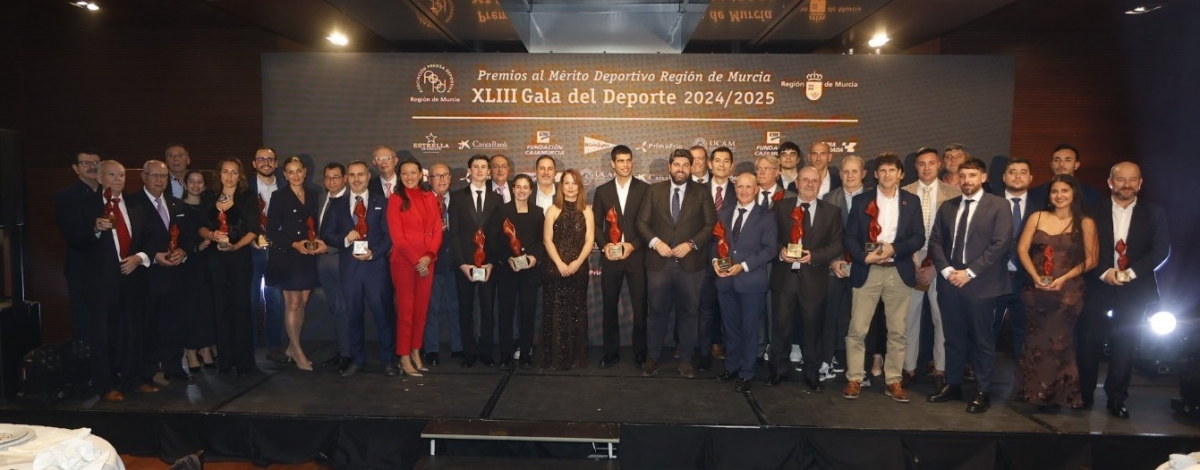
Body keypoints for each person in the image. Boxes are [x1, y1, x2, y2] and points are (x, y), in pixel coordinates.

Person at [1079, 162, 1170, 418]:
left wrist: (1130, 273)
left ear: (1140, 183)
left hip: (1135, 288)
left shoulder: (1155, 212)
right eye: (1121, 179)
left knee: (1125, 346)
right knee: (1087, 343)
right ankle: (1084, 395)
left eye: (1132, 180)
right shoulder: (1091, 210)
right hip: (1097, 284)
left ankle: (1116, 399)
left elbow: (1161, 250)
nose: (1126, 184)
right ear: (1110, 182)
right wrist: (1103, 271)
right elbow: (1082, 245)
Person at [927, 157, 1013, 413]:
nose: (967, 181)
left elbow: (1000, 245)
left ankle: (982, 390)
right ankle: (952, 385)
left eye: (972, 176)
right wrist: (947, 271)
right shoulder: (948, 206)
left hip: (982, 285)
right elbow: (935, 241)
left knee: (982, 340)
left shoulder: (999, 206)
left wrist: (970, 273)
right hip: (950, 282)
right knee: (952, 338)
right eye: (963, 176)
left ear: (983, 177)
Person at [71, 160, 160, 401]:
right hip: (101, 283)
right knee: (104, 335)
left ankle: (134, 380)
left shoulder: (135, 203)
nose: (118, 179)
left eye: (121, 174)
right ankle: (106, 385)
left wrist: (139, 258)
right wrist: (95, 229)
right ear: (100, 178)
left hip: (133, 278)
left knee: (134, 333)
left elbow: (152, 238)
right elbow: (75, 239)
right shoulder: (87, 206)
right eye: (112, 174)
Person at [842, 153, 924, 402]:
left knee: (898, 331)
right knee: (857, 329)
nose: (887, 175)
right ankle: (855, 378)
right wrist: (863, 257)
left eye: (892, 170)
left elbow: (918, 237)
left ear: (901, 174)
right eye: (883, 170)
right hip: (867, 271)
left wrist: (894, 249)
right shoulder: (861, 201)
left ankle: (893, 381)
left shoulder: (912, 201)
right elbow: (850, 237)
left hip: (897, 271)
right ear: (875, 174)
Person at [1012, 174, 1098, 411]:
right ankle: (1032, 392)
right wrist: (1035, 276)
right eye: (1055, 191)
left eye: (1064, 191)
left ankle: (1055, 395)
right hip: (1036, 290)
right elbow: (1021, 249)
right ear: (1049, 195)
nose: (1059, 196)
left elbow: (1091, 260)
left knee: (1059, 343)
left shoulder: (1086, 222)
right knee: (1035, 342)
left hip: (1067, 293)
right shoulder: (1037, 216)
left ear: (1073, 194)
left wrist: (1063, 279)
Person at [636, 149, 717, 378]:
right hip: (658, 262)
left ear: (691, 168)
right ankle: (653, 358)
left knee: (689, 313)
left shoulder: (702, 193)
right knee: (656, 313)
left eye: (685, 165)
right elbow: (641, 223)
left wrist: (691, 244)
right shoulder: (654, 191)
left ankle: (687, 361)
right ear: (669, 167)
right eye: (676, 164)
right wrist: (655, 242)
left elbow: (710, 225)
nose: (680, 169)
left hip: (691, 264)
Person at [767, 166, 844, 391]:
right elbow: (769, 236)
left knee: (813, 329)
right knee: (780, 327)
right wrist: (781, 251)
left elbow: (838, 243)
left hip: (814, 279)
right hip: (784, 278)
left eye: (814, 181)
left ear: (820, 184)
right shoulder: (780, 207)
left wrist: (814, 256)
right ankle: (778, 370)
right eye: (805, 180)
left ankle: (812, 374)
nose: (809, 184)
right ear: (797, 183)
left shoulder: (831, 211)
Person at [321, 160, 397, 378]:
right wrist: (345, 239)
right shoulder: (336, 204)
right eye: (352, 175)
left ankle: (388, 361)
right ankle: (357, 360)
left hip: (375, 269)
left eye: (361, 175)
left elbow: (388, 237)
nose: (356, 179)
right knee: (353, 316)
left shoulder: (382, 202)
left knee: (383, 316)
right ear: (346, 178)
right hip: (350, 269)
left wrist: (374, 253)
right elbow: (326, 233)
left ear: (368, 177)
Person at [899, 148, 961, 388]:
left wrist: (935, 266)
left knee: (941, 317)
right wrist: (913, 260)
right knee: (908, 318)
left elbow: (956, 234)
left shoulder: (954, 194)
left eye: (931, 163)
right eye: (921, 164)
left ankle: (941, 369)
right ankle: (908, 367)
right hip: (910, 260)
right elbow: (898, 231)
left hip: (942, 262)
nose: (926, 168)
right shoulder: (904, 192)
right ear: (915, 167)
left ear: (939, 166)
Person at [712, 172, 778, 392]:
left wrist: (744, 266)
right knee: (729, 328)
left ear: (756, 188)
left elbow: (770, 249)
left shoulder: (766, 216)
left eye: (748, 187)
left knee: (750, 329)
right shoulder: (724, 213)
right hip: (725, 282)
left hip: (751, 281)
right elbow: (716, 243)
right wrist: (714, 260)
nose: (743, 190)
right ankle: (731, 366)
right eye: (740, 186)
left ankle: (747, 372)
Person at [199, 158, 260, 376]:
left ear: (240, 175)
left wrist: (235, 247)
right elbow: (201, 227)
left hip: (240, 258)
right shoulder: (209, 197)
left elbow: (254, 229)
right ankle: (225, 360)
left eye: (234, 172)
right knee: (220, 308)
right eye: (225, 171)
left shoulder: (248, 197)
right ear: (219, 174)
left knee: (241, 308)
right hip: (215, 259)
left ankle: (244, 361)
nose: (229, 176)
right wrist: (211, 234)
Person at [132, 160, 190, 384]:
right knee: (148, 326)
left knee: (173, 324)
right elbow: (130, 240)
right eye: (154, 176)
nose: (159, 180)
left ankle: (173, 368)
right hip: (147, 276)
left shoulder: (177, 205)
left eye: (163, 176)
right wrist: (154, 256)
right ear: (144, 177)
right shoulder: (132, 204)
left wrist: (183, 251)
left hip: (175, 275)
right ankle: (146, 372)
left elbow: (187, 236)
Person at [592, 145, 650, 369]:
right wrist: (605, 245)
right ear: (612, 164)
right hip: (611, 257)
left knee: (640, 307)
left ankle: (640, 352)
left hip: (636, 257)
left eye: (628, 160)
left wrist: (633, 245)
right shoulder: (602, 191)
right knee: (609, 305)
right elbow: (597, 225)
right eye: (621, 161)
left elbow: (648, 225)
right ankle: (610, 352)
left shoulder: (645, 189)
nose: (625, 165)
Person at [265, 157, 326, 371]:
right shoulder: (279, 197)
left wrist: (316, 242)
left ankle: (292, 346)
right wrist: (294, 244)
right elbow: (271, 231)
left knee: (303, 302)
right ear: (285, 175)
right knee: (292, 303)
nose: (295, 175)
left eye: (298, 171)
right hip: (288, 255)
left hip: (307, 255)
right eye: (290, 172)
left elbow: (318, 224)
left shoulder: (314, 194)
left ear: (305, 171)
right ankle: (298, 352)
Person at [388, 157, 442, 377]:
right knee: (406, 312)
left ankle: (416, 351)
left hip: (427, 263)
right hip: (404, 263)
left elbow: (437, 230)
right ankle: (403, 356)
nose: (409, 177)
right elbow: (398, 238)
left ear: (421, 174)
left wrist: (429, 256)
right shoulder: (395, 199)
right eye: (404, 173)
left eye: (413, 173)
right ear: (400, 177)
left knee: (421, 311)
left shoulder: (430, 197)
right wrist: (417, 261)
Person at [449, 154, 502, 368]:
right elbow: (454, 234)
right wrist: (462, 264)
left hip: (488, 266)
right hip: (465, 266)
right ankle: (469, 352)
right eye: (476, 166)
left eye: (484, 167)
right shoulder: (457, 197)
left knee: (488, 310)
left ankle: (486, 352)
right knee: (466, 309)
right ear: (469, 170)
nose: (480, 170)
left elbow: (498, 235)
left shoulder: (496, 199)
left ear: (489, 171)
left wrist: (490, 263)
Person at [541, 169, 595, 370]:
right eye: (566, 183)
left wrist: (577, 262)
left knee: (576, 311)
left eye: (574, 183)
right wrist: (560, 264)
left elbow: (590, 240)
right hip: (555, 269)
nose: (570, 187)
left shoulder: (587, 211)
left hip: (578, 269)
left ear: (579, 186)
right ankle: (555, 358)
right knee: (555, 310)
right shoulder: (553, 210)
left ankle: (575, 357)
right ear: (561, 186)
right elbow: (547, 240)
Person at [489, 174, 545, 370]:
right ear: (512, 189)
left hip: (529, 271)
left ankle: (525, 352)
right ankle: (505, 354)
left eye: (525, 187)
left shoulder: (538, 213)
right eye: (518, 187)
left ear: (531, 190)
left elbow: (541, 241)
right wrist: (508, 258)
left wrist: (532, 258)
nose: (521, 191)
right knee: (505, 312)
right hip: (507, 270)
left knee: (527, 313)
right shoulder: (502, 210)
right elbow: (493, 240)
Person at [822, 155, 868, 379]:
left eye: (854, 171)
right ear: (839, 174)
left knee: (860, 321)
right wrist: (833, 260)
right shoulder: (829, 199)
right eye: (846, 172)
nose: (850, 176)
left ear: (864, 174)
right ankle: (826, 360)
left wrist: (861, 260)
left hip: (864, 268)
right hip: (834, 268)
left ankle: (858, 368)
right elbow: (823, 236)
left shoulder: (873, 199)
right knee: (829, 317)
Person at [55, 149, 101, 341]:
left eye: (95, 162)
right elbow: (73, 235)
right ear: (76, 168)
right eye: (86, 163)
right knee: (86, 322)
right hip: (82, 269)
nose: (92, 167)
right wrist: (95, 229)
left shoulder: (110, 193)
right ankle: (88, 369)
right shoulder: (66, 196)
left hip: (110, 270)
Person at [696, 147, 736, 370]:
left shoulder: (740, 190)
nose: (721, 165)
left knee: (727, 307)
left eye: (726, 161)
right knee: (705, 308)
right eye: (717, 161)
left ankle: (722, 346)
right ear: (709, 164)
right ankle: (703, 353)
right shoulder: (697, 190)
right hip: (701, 258)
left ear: (732, 165)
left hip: (728, 258)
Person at [993, 158, 1035, 359]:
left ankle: (1024, 384)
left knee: (1024, 333)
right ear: (1004, 177)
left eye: (1023, 172)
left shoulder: (1042, 206)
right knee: (987, 332)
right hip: (994, 278)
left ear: (1030, 177)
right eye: (1012, 172)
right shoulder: (989, 202)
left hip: (1027, 280)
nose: (1017, 176)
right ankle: (981, 384)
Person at [424, 163, 462, 366]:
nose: (441, 180)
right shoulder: (422, 201)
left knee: (456, 307)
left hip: (454, 262)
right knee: (432, 308)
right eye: (436, 176)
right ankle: (431, 349)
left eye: (445, 175)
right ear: (429, 179)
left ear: (450, 178)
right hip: (431, 262)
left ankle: (458, 347)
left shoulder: (458, 200)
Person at [249, 148, 285, 362]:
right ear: (254, 163)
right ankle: (250, 347)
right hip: (252, 251)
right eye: (261, 159)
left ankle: (274, 346)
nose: (265, 162)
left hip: (276, 252)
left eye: (269, 159)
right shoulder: (246, 188)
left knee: (275, 301)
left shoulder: (285, 186)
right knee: (251, 300)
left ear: (276, 163)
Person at [178, 170, 217, 371]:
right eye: (191, 182)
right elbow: (177, 237)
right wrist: (195, 247)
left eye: (199, 182)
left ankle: (206, 349)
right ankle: (191, 352)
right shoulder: (178, 206)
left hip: (210, 261)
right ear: (184, 184)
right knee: (191, 308)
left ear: (204, 185)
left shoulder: (210, 205)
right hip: (189, 263)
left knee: (208, 306)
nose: (195, 185)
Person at [315, 163, 351, 374]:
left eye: (336, 177)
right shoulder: (321, 199)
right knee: (335, 311)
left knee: (343, 310)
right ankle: (342, 351)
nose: (332, 181)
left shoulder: (352, 201)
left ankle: (348, 354)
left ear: (344, 178)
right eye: (328, 178)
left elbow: (355, 235)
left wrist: (327, 246)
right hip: (323, 264)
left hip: (343, 261)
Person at [1025, 144, 1103, 210]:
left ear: (1076, 165)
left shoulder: (1092, 195)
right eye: (1057, 160)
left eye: (1068, 160)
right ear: (1051, 164)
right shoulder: (1034, 194)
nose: (1061, 164)